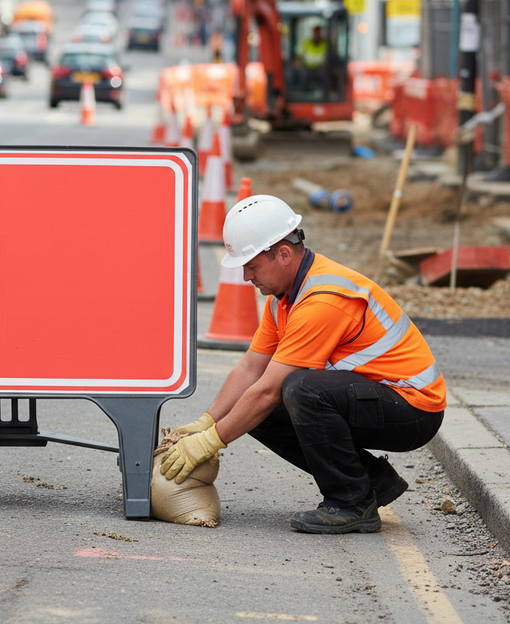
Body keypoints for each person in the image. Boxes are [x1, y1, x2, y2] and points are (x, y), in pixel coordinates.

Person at [161, 195, 446, 534]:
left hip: (415, 410)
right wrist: (208, 422)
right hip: (382, 397)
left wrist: (210, 442)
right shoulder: (284, 299)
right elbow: (251, 370)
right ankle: (371, 483)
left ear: (283, 254)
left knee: (298, 388)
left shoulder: (323, 299)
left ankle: (351, 503)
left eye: (251, 266)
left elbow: (268, 390)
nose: (245, 277)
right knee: (254, 407)